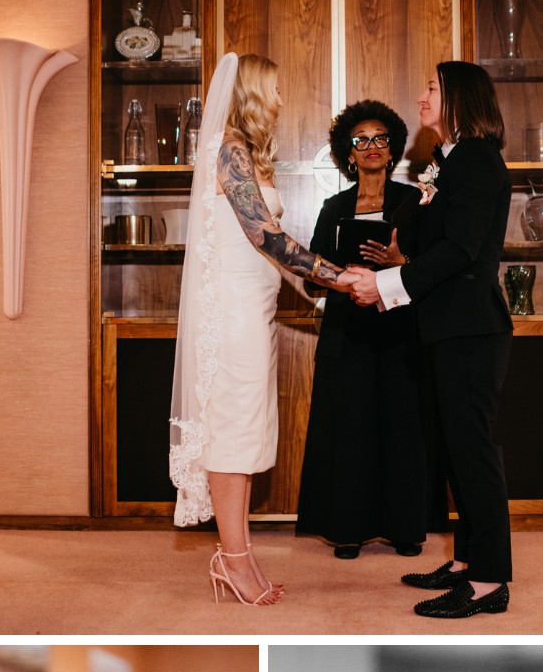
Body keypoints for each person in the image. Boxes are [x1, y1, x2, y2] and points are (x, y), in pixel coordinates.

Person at [169, 52, 354, 606]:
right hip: (230, 315)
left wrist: (316, 292)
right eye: (272, 91)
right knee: (232, 436)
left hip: (255, 310)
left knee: (246, 436)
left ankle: (237, 554)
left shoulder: (247, 156)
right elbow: (268, 238)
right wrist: (339, 277)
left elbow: (269, 254)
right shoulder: (228, 151)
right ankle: (234, 561)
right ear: (250, 94)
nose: (279, 101)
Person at [346, 62, 513, 620]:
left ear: (460, 96)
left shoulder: (476, 158)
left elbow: (463, 249)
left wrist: (388, 282)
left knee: (474, 456)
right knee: (455, 455)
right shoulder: (448, 161)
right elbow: (423, 243)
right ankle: (466, 564)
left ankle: (489, 582)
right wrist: (402, 256)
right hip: (445, 326)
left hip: (469, 328)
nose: (421, 97)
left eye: (433, 89)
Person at [295, 99, 445, 559]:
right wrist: (346, 274)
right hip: (348, 333)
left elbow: (436, 265)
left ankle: (405, 529)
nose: (372, 146)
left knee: (403, 429)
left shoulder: (415, 201)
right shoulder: (332, 206)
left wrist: (399, 264)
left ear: (393, 146)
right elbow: (309, 271)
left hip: (401, 328)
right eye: (361, 140)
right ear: (349, 152)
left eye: (380, 138)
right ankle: (348, 530)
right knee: (350, 430)